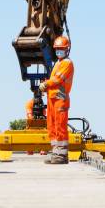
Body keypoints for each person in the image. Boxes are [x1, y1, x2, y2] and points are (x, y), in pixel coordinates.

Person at [39, 36, 74, 164]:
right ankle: (56, 153)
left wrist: (46, 84)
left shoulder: (67, 63)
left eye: (61, 48)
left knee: (60, 126)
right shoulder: (58, 63)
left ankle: (62, 155)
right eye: (57, 49)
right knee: (52, 126)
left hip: (60, 98)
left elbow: (58, 79)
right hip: (52, 98)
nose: (59, 51)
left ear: (67, 49)